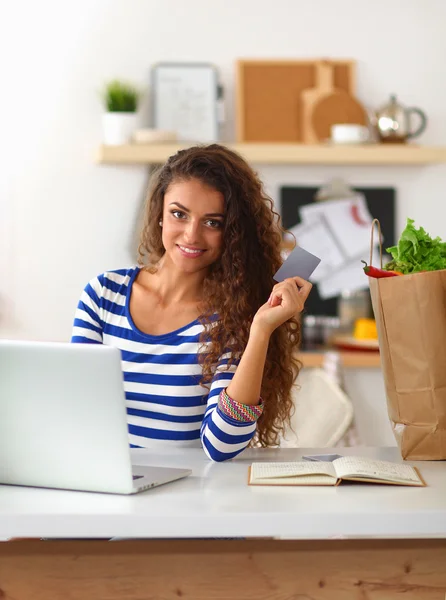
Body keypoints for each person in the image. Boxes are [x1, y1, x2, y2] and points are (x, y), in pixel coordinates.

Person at [71, 144, 312, 461]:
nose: (191, 235)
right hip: (103, 484)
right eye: (179, 214)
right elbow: (73, 410)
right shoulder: (103, 294)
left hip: (186, 499)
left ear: (232, 233)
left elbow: (221, 445)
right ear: (159, 214)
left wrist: (261, 330)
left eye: (212, 222)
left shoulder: (231, 318)